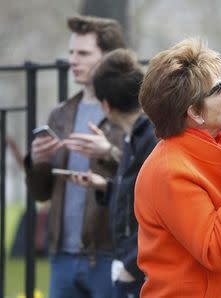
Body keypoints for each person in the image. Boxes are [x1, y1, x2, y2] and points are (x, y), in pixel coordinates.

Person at [135, 38, 221, 297]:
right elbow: (215, 251)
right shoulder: (170, 170)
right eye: (219, 88)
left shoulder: (212, 145)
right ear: (195, 113)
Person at [24, 15, 126, 298]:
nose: (73, 60)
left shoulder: (128, 115)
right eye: (71, 52)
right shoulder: (60, 114)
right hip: (62, 257)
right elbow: (41, 193)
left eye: (83, 53)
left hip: (108, 254)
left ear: (108, 58)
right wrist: (37, 161)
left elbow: (142, 179)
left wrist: (109, 152)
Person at [66, 48, 158, 298]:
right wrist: (106, 186)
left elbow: (158, 211)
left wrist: (130, 265)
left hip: (139, 269)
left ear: (106, 106)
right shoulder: (135, 136)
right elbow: (137, 192)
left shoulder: (149, 137)